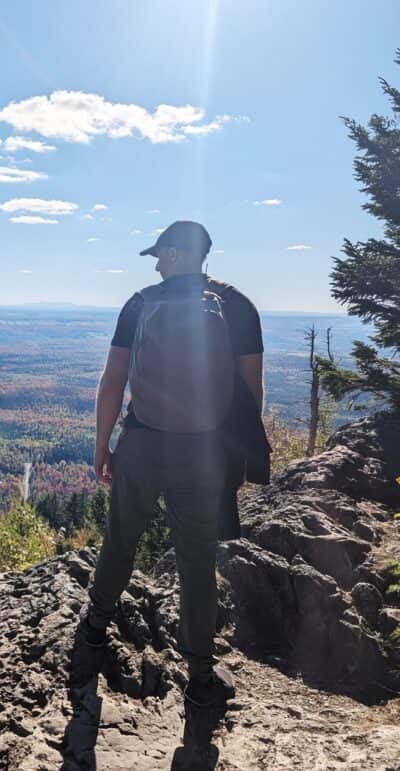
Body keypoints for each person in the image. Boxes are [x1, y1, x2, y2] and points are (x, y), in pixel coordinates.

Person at [77, 220, 269, 708]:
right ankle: (201, 674)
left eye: (162, 254)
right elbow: (251, 392)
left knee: (121, 538)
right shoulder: (238, 306)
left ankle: (94, 632)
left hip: (142, 444)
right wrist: (238, 457)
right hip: (202, 453)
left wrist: (104, 445)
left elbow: (113, 380)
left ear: (180, 254)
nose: (158, 263)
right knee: (198, 561)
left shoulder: (141, 303)